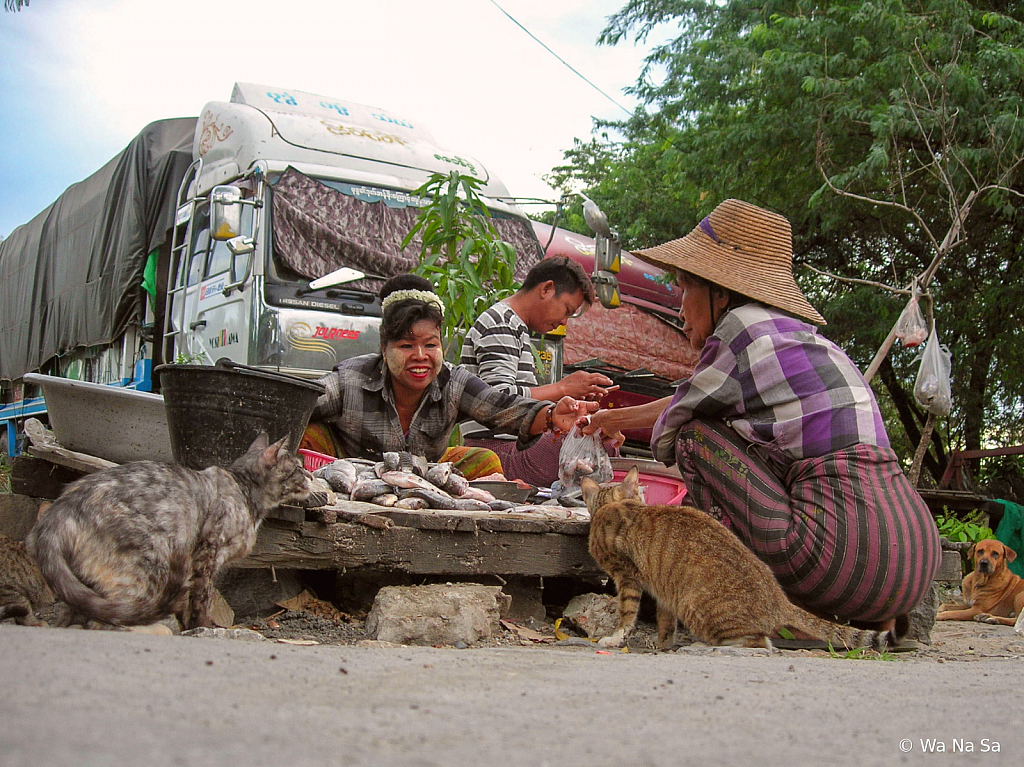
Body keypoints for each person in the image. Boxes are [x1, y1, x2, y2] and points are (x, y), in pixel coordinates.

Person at [583, 199, 941, 628]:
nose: (679, 310)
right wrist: (608, 421)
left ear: (719, 290)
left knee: (695, 438)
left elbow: (678, 422)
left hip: (842, 559)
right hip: (913, 558)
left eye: (683, 288)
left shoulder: (739, 330)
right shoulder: (795, 337)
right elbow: (688, 396)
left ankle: (738, 603)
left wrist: (612, 423)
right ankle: (868, 620)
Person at [302, 274, 597, 479]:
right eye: (406, 346)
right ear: (384, 348)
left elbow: (502, 407)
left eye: (430, 344)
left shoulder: (453, 382)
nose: (420, 356)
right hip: (353, 473)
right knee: (307, 433)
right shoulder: (350, 379)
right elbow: (295, 402)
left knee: (485, 461)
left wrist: (551, 415)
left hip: (425, 473)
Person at [459, 256, 617, 487]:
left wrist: (573, 401)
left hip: (513, 447)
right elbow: (496, 399)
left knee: (602, 429)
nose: (563, 321)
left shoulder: (515, 326)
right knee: (599, 436)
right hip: (496, 453)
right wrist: (564, 387)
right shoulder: (501, 322)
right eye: (566, 310)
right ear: (546, 289)